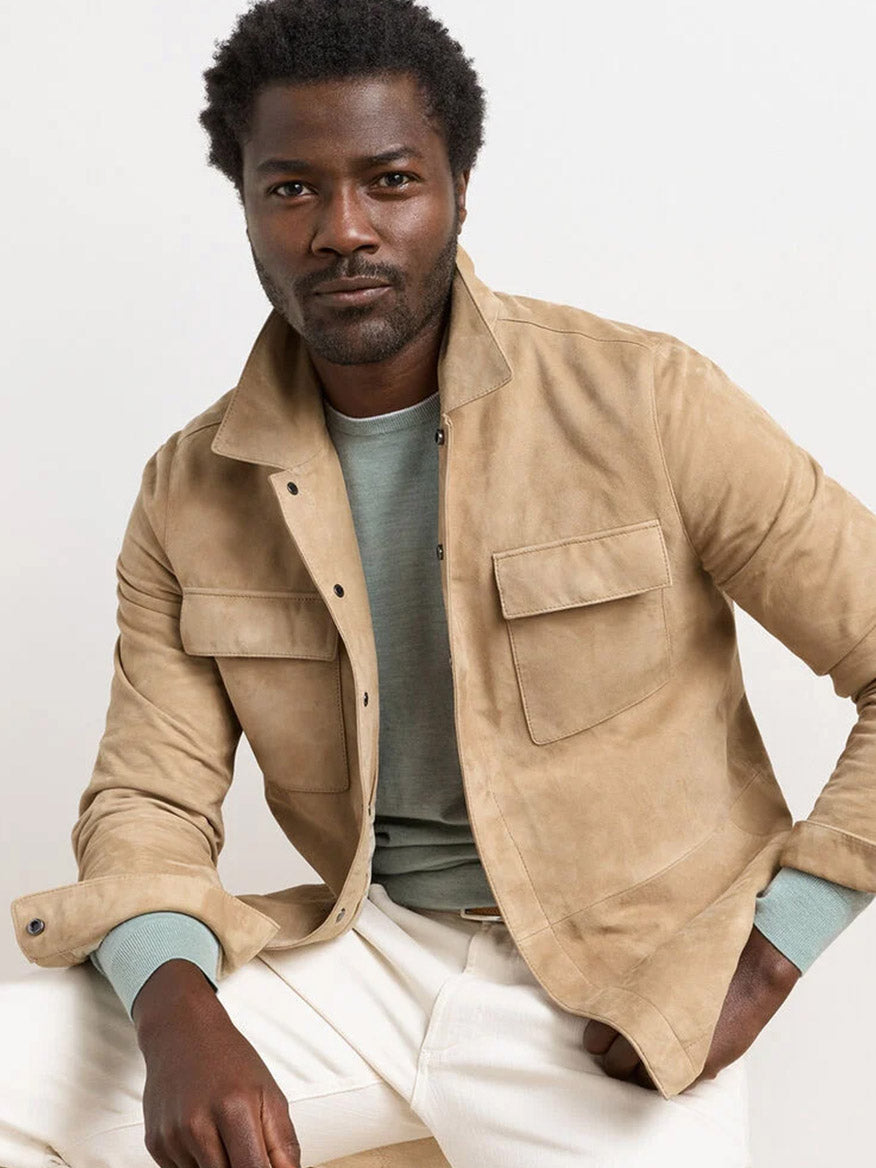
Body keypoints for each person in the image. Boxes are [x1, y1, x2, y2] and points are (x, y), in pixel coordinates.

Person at [4, 1, 876, 1165]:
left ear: (460, 187)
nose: (342, 230)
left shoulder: (647, 401)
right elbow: (148, 804)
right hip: (360, 954)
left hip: (623, 995)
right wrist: (175, 1010)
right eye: (291, 188)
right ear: (248, 208)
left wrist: (771, 957)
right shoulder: (189, 488)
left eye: (391, 180)